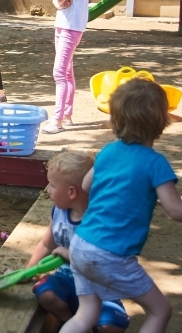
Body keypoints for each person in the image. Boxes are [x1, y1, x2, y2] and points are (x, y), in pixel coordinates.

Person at [60, 79, 182, 333]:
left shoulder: (108, 151)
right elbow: (175, 210)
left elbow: (85, 184)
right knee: (160, 311)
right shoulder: (155, 163)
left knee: (86, 314)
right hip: (110, 254)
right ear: (162, 121)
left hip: (81, 245)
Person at [27, 150, 129, 333]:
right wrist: (28, 271)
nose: (48, 190)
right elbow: (46, 244)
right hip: (67, 280)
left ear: (71, 192)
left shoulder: (101, 221)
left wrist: (70, 254)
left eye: (52, 185)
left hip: (100, 288)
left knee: (111, 326)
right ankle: (70, 322)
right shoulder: (58, 212)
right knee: (45, 292)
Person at [42, 0, 90, 134]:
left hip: (70, 26)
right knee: (67, 72)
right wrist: (57, 2)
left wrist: (56, 2)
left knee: (59, 72)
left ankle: (57, 120)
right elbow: (60, 1)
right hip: (65, 24)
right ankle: (67, 115)